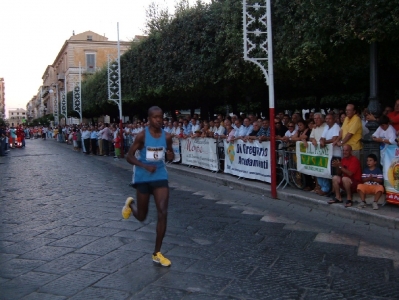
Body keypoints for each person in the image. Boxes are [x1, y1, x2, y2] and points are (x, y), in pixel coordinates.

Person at [125, 106, 174, 267]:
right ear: (149, 119)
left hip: (160, 174)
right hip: (143, 176)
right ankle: (131, 205)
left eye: (161, 117)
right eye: (155, 117)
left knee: (163, 211)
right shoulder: (141, 136)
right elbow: (129, 156)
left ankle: (157, 253)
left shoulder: (167, 136)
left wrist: (171, 155)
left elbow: (170, 154)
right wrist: (144, 166)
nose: (159, 120)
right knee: (142, 217)